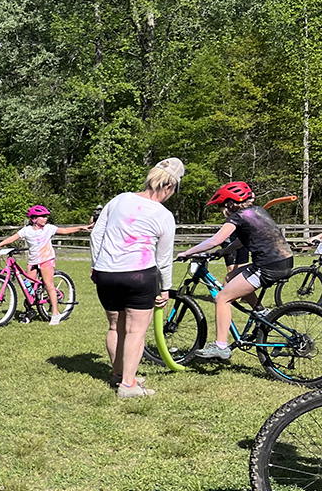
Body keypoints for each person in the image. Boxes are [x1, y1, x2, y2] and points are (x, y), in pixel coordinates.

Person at [89, 158, 182, 397]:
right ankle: (128, 385)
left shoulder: (119, 199)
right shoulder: (163, 215)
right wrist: (166, 288)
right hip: (139, 275)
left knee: (115, 326)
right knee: (135, 331)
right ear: (170, 187)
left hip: (107, 274)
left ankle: (119, 374)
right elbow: (164, 257)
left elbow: (96, 235)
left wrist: (96, 264)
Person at [177, 181, 295, 360]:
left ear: (230, 203)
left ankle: (221, 346)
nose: (222, 210)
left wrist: (188, 252)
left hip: (267, 266)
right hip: (283, 261)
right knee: (233, 277)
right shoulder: (258, 211)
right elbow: (242, 240)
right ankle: (262, 314)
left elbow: (214, 240)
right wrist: (223, 252)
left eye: (222, 206)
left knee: (223, 298)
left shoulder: (237, 217)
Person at [0, 205, 94, 326]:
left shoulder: (48, 228)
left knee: (49, 286)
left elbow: (64, 231)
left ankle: (55, 313)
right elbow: (12, 238)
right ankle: (30, 311)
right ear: (34, 219)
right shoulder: (26, 230)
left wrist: (81, 227)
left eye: (45, 216)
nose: (45, 219)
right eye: (42, 216)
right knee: (28, 288)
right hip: (33, 261)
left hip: (46, 259)